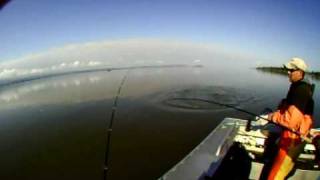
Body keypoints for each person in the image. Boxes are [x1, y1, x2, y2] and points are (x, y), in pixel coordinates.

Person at [260, 57, 314, 180]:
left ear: (300, 72)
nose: (288, 72)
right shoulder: (297, 86)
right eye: (287, 70)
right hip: (290, 134)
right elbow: (291, 110)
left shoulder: (301, 90)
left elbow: (291, 121)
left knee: (275, 176)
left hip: (293, 139)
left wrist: (270, 116)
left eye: (291, 70)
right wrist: (282, 106)